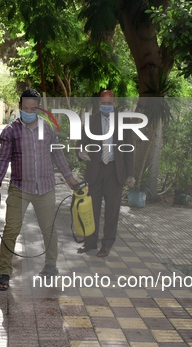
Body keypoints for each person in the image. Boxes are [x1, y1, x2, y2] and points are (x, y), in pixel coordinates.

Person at [0, 88, 78, 291]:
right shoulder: (10, 131)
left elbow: (58, 156)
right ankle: (4, 272)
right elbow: (3, 159)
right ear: (20, 106)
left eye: (33, 108)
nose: (28, 111)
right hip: (20, 187)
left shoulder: (47, 129)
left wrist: (70, 178)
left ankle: (50, 266)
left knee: (49, 229)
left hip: (45, 187)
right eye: (25, 107)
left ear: (38, 108)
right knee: (11, 229)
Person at [76, 89, 135, 258]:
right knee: (91, 209)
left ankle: (107, 244)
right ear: (99, 104)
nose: (107, 106)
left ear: (114, 103)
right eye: (104, 103)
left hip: (115, 171)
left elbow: (129, 149)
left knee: (112, 211)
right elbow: (81, 141)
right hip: (95, 169)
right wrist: (80, 152)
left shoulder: (124, 122)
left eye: (110, 103)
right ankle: (90, 242)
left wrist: (130, 174)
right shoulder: (91, 121)